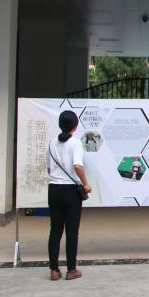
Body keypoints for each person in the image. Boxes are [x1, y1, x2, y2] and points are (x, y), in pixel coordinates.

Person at [47, 110, 92, 280]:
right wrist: (86, 184)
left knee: (55, 230)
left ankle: (54, 270)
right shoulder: (75, 144)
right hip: (71, 191)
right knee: (72, 232)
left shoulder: (51, 143)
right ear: (75, 126)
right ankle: (71, 270)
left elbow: (49, 169)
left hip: (54, 189)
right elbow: (77, 166)